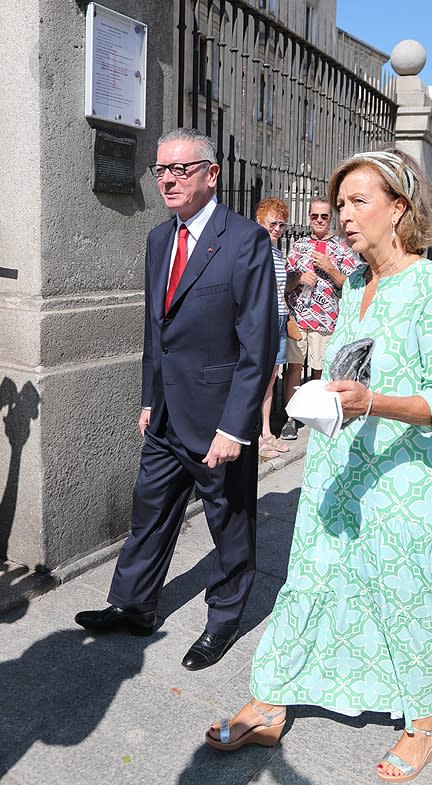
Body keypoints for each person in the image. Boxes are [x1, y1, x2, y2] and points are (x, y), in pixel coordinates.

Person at [205, 148, 432, 784]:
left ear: (398, 208)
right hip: (340, 464)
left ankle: (424, 725)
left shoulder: (431, 286)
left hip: (404, 479)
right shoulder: (353, 283)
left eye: (359, 203)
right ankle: (269, 699)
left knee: (403, 596)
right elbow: (354, 367)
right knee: (312, 581)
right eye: (340, 204)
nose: (344, 217)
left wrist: (373, 402)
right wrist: (326, 399)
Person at [75, 128, 278, 671]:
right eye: (160, 169)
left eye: (180, 169)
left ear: (212, 174)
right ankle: (133, 604)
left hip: (218, 420)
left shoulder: (246, 240)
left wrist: (237, 428)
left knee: (229, 523)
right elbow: (155, 330)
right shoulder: (159, 239)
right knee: (150, 513)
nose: (167, 178)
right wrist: (148, 397)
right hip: (164, 414)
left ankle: (224, 619)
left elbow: (257, 343)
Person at [280, 198, 361, 440]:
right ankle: (291, 418)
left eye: (324, 217)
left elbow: (352, 286)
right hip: (298, 318)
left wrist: (330, 268)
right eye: (314, 216)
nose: (319, 221)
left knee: (320, 371)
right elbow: (284, 284)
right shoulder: (299, 246)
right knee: (294, 367)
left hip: (326, 319)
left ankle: (317, 415)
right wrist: (299, 279)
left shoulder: (342, 248)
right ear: (308, 218)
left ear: (330, 219)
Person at [255, 197, 291, 459]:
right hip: (264, 319)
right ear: (260, 221)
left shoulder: (277, 253)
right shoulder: (256, 250)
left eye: (282, 224)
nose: (278, 229)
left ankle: (267, 432)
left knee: (272, 376)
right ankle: (256, 433)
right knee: (259, 377)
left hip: (280, 317)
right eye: (273, 223)